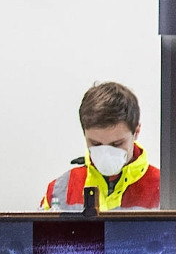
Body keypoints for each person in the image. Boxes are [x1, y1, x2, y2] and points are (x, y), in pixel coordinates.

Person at [41, 81, 160, 211]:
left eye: (116, 144)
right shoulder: (59, 191)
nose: (106, 154)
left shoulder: (162, 189)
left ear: (136, 132)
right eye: (96, 144)